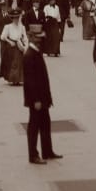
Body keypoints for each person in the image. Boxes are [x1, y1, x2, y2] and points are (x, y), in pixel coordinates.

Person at [22, 26, 63, 165]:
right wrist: (36, 100)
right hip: (36, 99)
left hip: (43, 97)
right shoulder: (29, 55)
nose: (41, 40)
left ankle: (47, 151)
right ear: (32, 37)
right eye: (38, 37)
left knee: (45, 123)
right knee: (34, 125)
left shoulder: (36, 52)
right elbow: (30, 82)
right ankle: (33, 155)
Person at [0, 8, 27, 86]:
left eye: (17, 17)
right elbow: (2, 37)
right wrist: (10, 41)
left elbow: (25, 38)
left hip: (19, 46)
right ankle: (13, 79)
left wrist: (25, 46)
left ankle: (18, 79)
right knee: (13, 64)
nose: (16, 20)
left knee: (19, 63)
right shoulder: (8, 27)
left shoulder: (22, 27)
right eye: (15, 18)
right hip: (11, 47)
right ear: (12, 18)